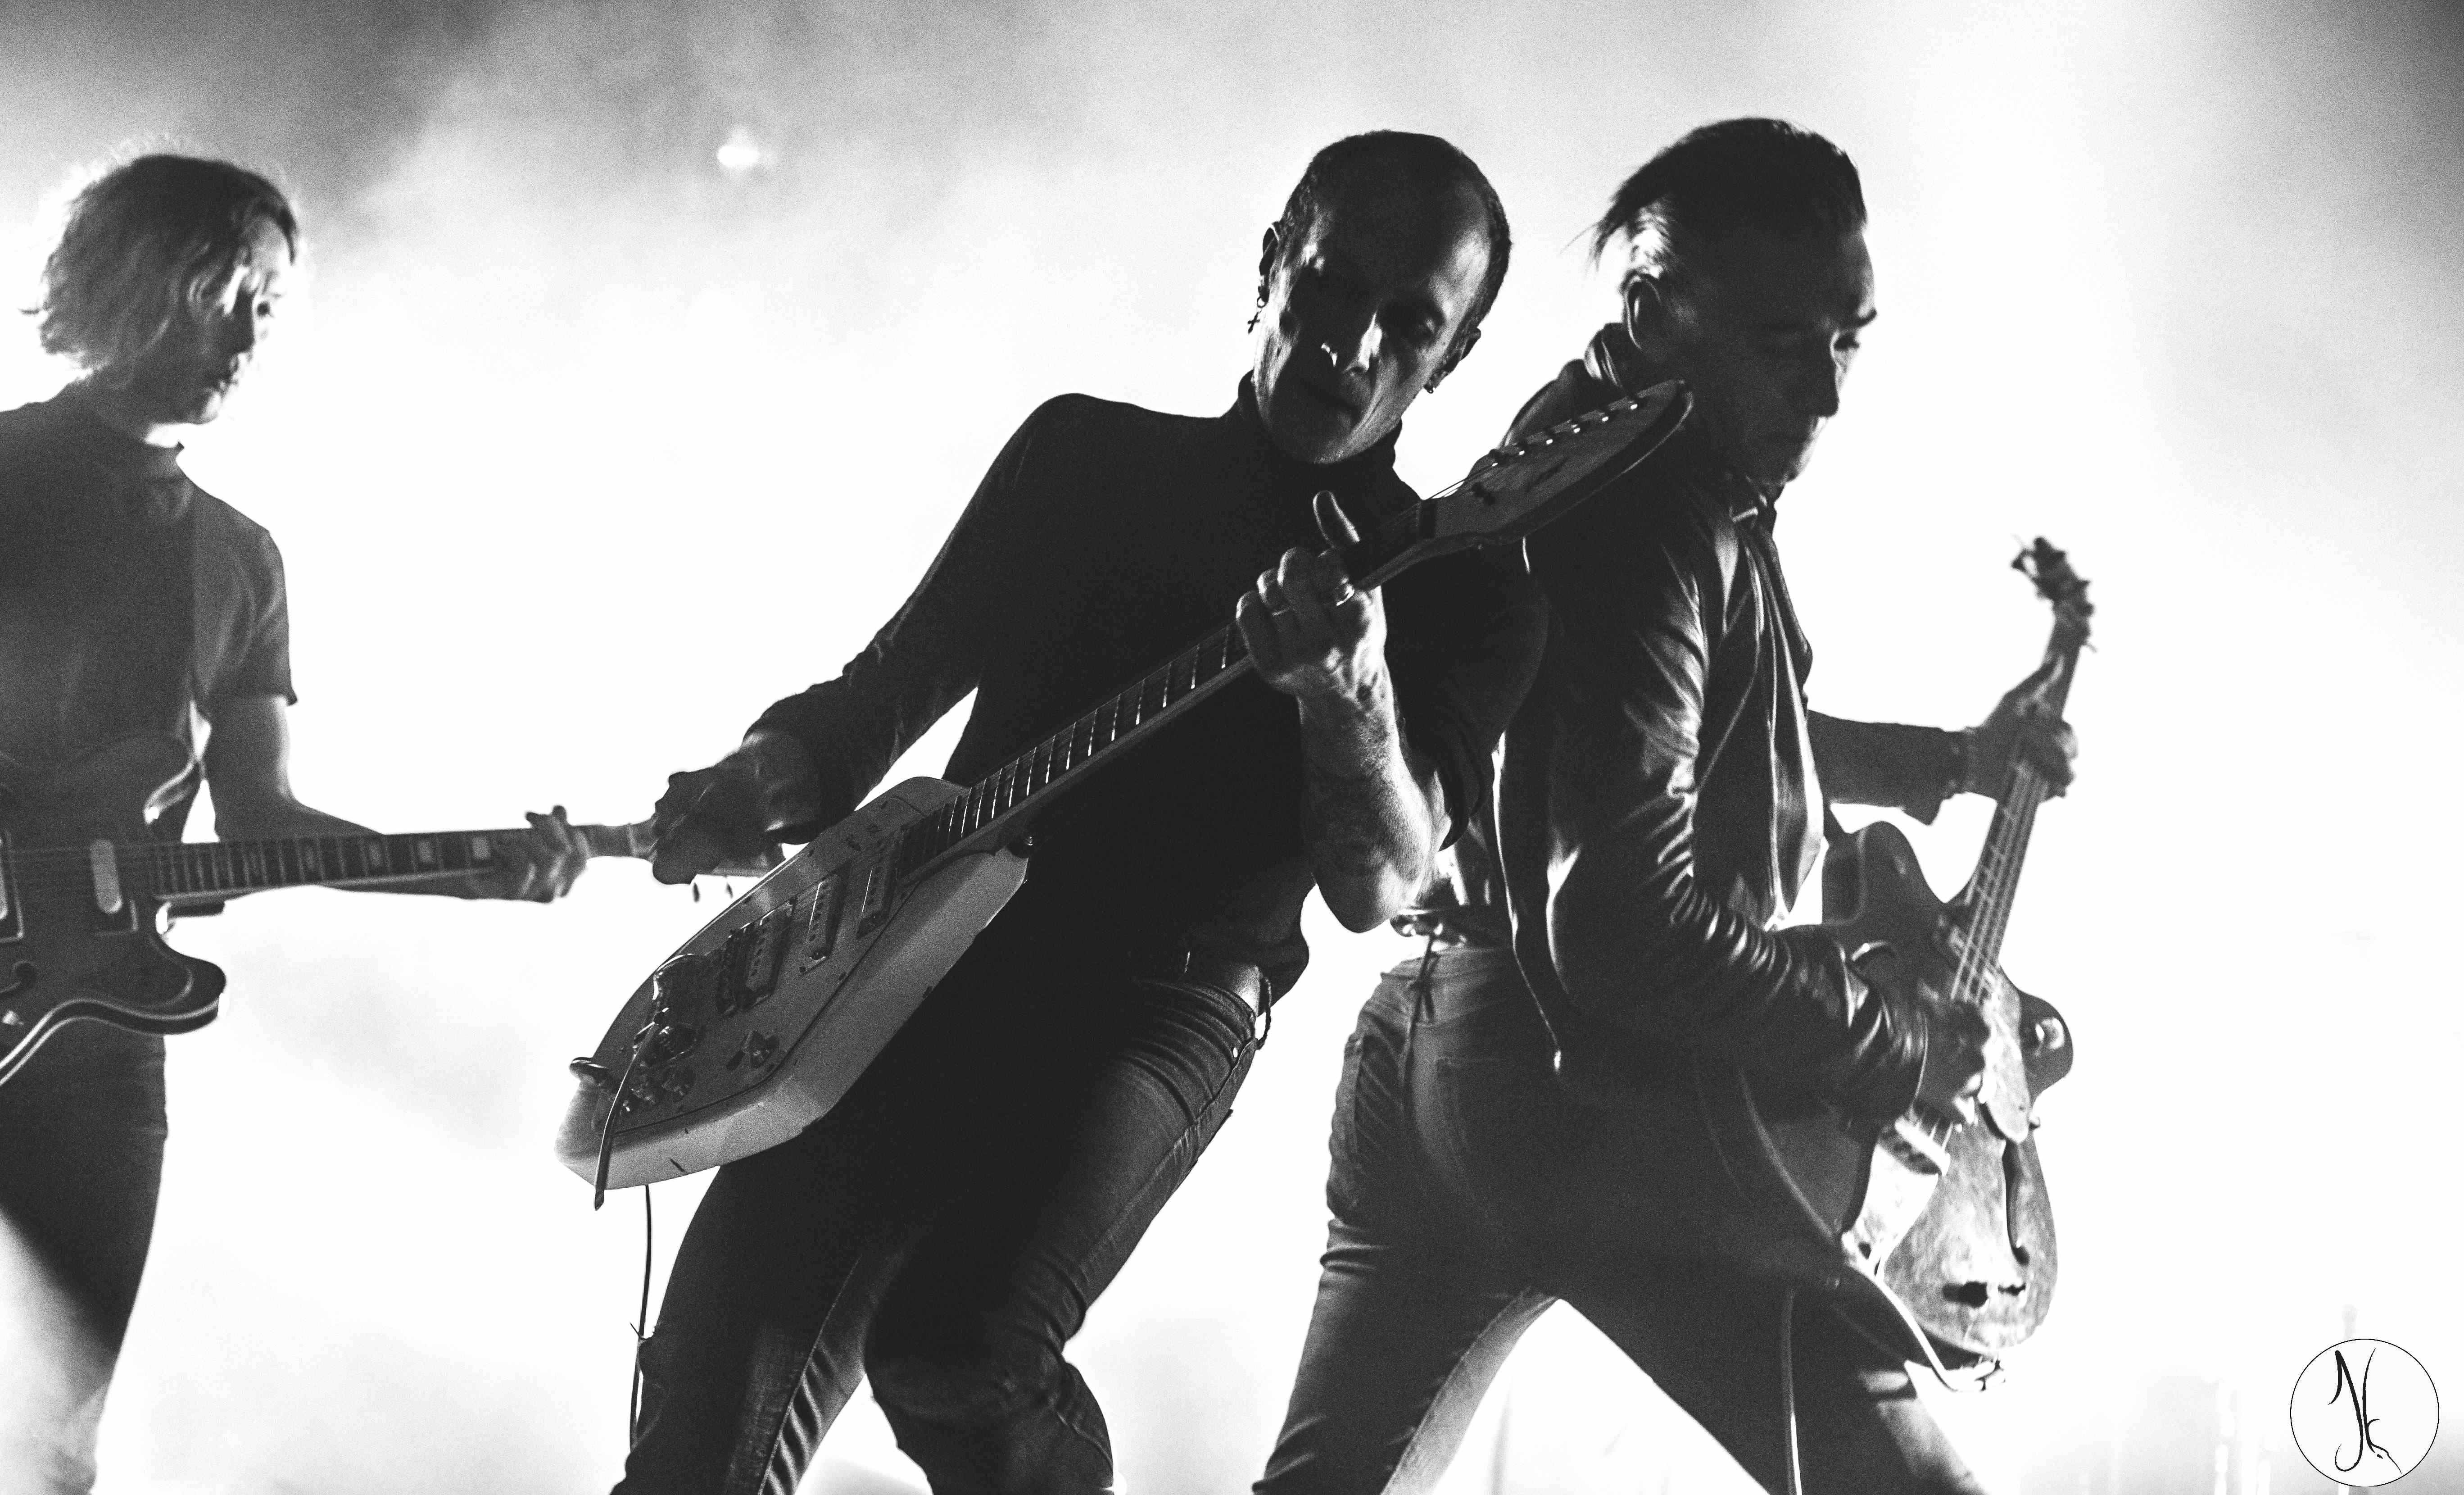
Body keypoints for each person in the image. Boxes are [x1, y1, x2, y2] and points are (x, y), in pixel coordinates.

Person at [626, 130, 1547, 1495]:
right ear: (1273, 264)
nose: (1353, 344)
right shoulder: (1086, 456)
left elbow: (1380, 884)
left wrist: (1347, 688)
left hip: (1159, 1007)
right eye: (1331, 286)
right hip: (907, 963)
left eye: (1411, 325)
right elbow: (881, 696)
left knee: (956, 1351)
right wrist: (764, 778)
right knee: (694, 1434)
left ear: (1453, 357)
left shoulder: (1464, 586)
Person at [1255, 119, 2079, 1495]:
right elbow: (1622, 922)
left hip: (1427, 1050)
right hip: (1590, 1105)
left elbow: (1668, 737)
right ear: (1651, 308)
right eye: (1780, 343)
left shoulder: (1595, 444)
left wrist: (1946, 763)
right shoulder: (1652, 513)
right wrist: (1885, 1043)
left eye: (1847, 340)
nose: (1825, 393)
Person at [0, 153, 592, 1495]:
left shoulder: (237, 556)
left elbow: (265, 814)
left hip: (97, 1041)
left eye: (272, 303)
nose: (252, 334)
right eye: (229, 291)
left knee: (52, 1442)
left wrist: (466, 876)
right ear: (137, 279)